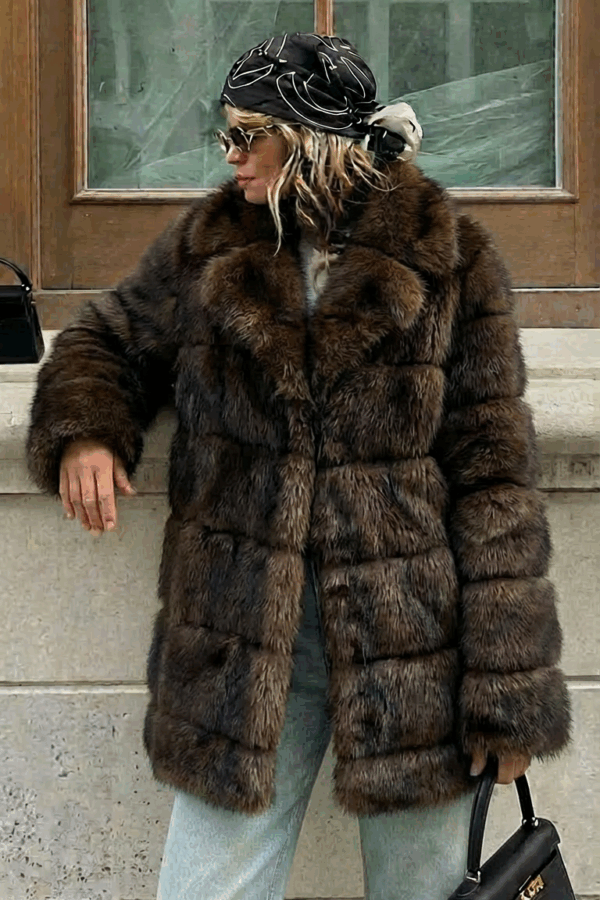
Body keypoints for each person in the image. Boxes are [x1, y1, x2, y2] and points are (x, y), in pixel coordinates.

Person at [26, 33, 571, 900]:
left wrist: (508, 696)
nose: (231, 156)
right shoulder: (210, 247)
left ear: (313, 139)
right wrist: (86, 429)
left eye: (250, 136)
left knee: (430, 891)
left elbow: (494, 482)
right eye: (226, 135)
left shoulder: (449, 260)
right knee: (205, 888)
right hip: (242, 636)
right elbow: (103, 339)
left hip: (411, 646)